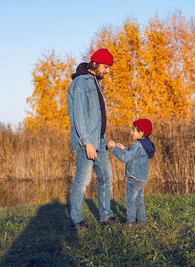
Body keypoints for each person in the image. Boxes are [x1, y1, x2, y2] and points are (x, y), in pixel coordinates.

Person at [67, 48, 116, 229]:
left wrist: (102, 139)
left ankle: (105, 217)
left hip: (100, 141)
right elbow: (79, 115)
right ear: (94, 63)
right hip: (87, 142)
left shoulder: (95, 82)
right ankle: (76, 220)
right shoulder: (81, 83)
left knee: (106, 177)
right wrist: (87, 142)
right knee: (83, 180)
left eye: (109, 68)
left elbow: (97, 115)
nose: (107, 71)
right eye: (105, 67)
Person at [108, 119, 156, 227]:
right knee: (139, 199)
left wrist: (114, 149)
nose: (131, 132)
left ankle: (130, 222)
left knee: (130, 200)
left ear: (142, 132)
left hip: (134, 178)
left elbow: (125, 158)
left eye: (134, 130)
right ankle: (141, 221)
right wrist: (125, 148)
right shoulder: (148, 145)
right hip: (142, 178)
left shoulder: (137, 145)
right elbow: (136, 156)